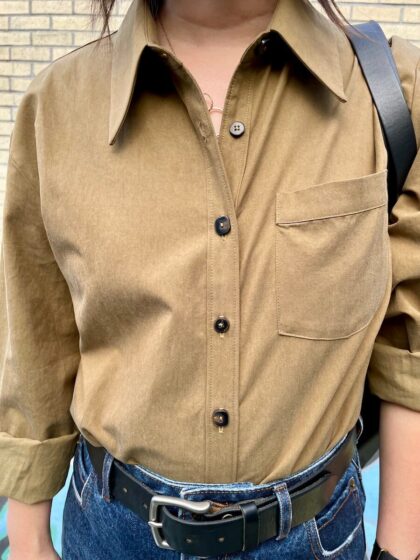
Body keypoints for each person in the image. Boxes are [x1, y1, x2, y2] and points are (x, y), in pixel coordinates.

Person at [0, 0, 419, 558]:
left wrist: (400, 547)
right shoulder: (56, 108)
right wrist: (29, 537)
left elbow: (409, 343)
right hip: (109, 532)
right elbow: (37, 337)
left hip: (314, 534)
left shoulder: (388, 96)